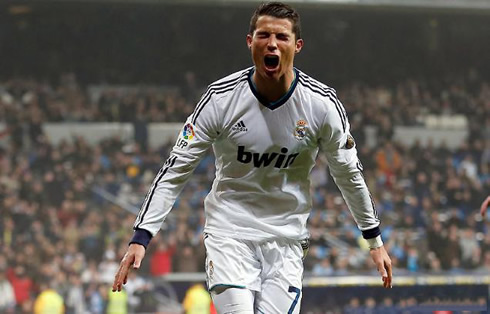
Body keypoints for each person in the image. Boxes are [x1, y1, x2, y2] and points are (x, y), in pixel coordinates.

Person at [113, 2, 392, 312]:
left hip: (286, 239)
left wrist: (374, 239)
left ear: (297, 46)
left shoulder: (321, 105)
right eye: (264, 35)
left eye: (282, 37)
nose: (272, 43)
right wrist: (141, 236)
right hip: (230, 233)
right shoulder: (220, 99)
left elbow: (349, 175)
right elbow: (176, 168)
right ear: (250, 42)